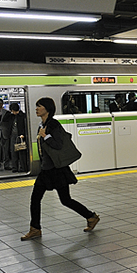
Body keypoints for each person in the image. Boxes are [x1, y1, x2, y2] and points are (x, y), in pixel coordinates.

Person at [20, 97, 100, 241]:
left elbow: (58, 145)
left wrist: (46, 136)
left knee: (65, 200)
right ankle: (35, 228)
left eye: (39, 106)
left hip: (56, 170)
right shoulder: (42, 124)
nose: (36, 109)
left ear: (47, 109)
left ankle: (91, 216)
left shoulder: (53, 125)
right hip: (47, 169)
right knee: (36, 198)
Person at [9, 103, 28, 173]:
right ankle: (15, 167)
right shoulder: (11, 116)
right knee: (13, 152)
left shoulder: (22, 116)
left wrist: (23, 134)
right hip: (13, 136)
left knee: (21, 152)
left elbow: (24, 126)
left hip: (21, 136)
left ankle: (23, 167)